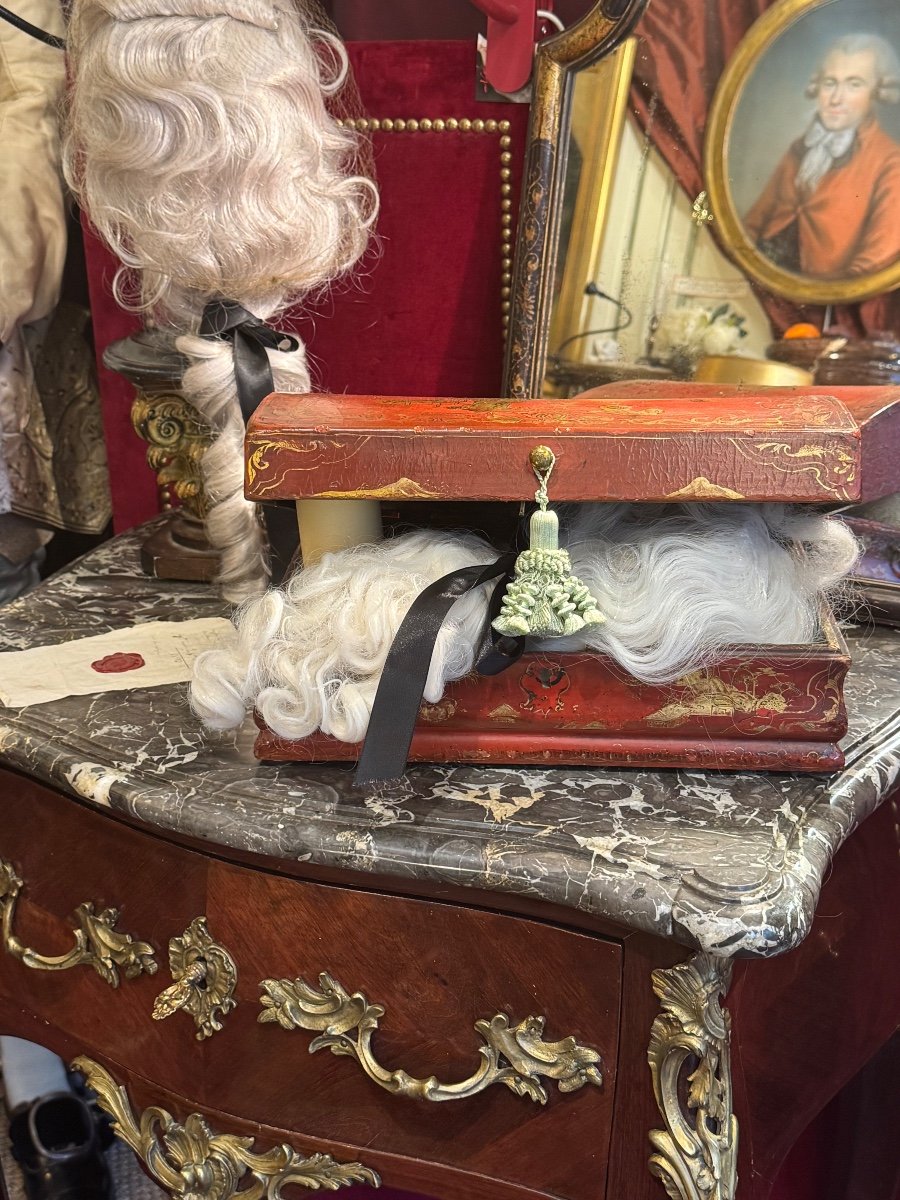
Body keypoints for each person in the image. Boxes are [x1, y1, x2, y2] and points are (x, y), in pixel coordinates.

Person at [743, 32, 900, 278]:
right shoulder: (801, 146)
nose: (836, 99)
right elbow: (754, 223)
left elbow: (875, 262)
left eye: (854, 84)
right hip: (764, 274)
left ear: (878, 93)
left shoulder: (891, 162)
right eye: (830, 83)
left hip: (824, 293)